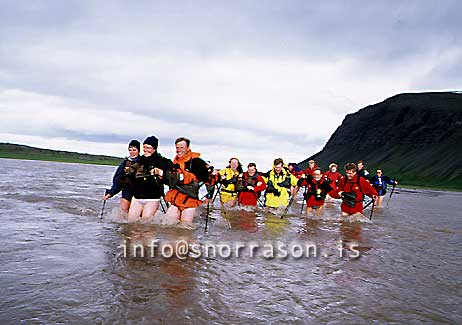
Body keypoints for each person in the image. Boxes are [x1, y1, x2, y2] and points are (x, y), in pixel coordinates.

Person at [164, 137, 212, 225]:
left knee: (185, 229)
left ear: (188, 148)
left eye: (182, 147)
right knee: (168, 224)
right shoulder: (175, 163)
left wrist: (212, 173)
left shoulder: (196, 161)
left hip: (190, 201)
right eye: (177, 148)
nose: (179, 150)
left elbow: (207, 179)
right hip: (175, 199)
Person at [127, 136, 173, 222]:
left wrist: (160, 173)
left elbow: (170, 180)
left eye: (148, 148)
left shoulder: (163, 162)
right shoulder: (138, 160)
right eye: (144, 147)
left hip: (152, 198)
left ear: (154, 148)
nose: (145, 150)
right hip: (136, 197)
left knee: (146, 225)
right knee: (131, 223)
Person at [102, 139, 141, 212]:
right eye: (130, 150)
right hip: (127, 191)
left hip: (140, 194)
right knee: (121, 213)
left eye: (134, 150)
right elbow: (117, 179)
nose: (132, 152)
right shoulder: (125, 162)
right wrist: (111, 193)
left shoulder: (143, 161)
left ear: (138, 151)